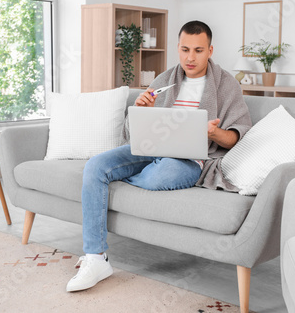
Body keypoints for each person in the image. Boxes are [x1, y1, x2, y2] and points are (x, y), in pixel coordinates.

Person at [66, 20, 252, 292]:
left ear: (210, 50)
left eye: (198, 50)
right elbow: (135, 132)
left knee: (162, 174)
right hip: (151, 147)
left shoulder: (226, 86)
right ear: (178, 48)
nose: (191, 57)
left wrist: (212, 134)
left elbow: (236, 136)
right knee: (95, 166)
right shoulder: (165, 79)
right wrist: (140, 108)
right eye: (185, 49)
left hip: (189, 160)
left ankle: (115, 181)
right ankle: (96, 258)